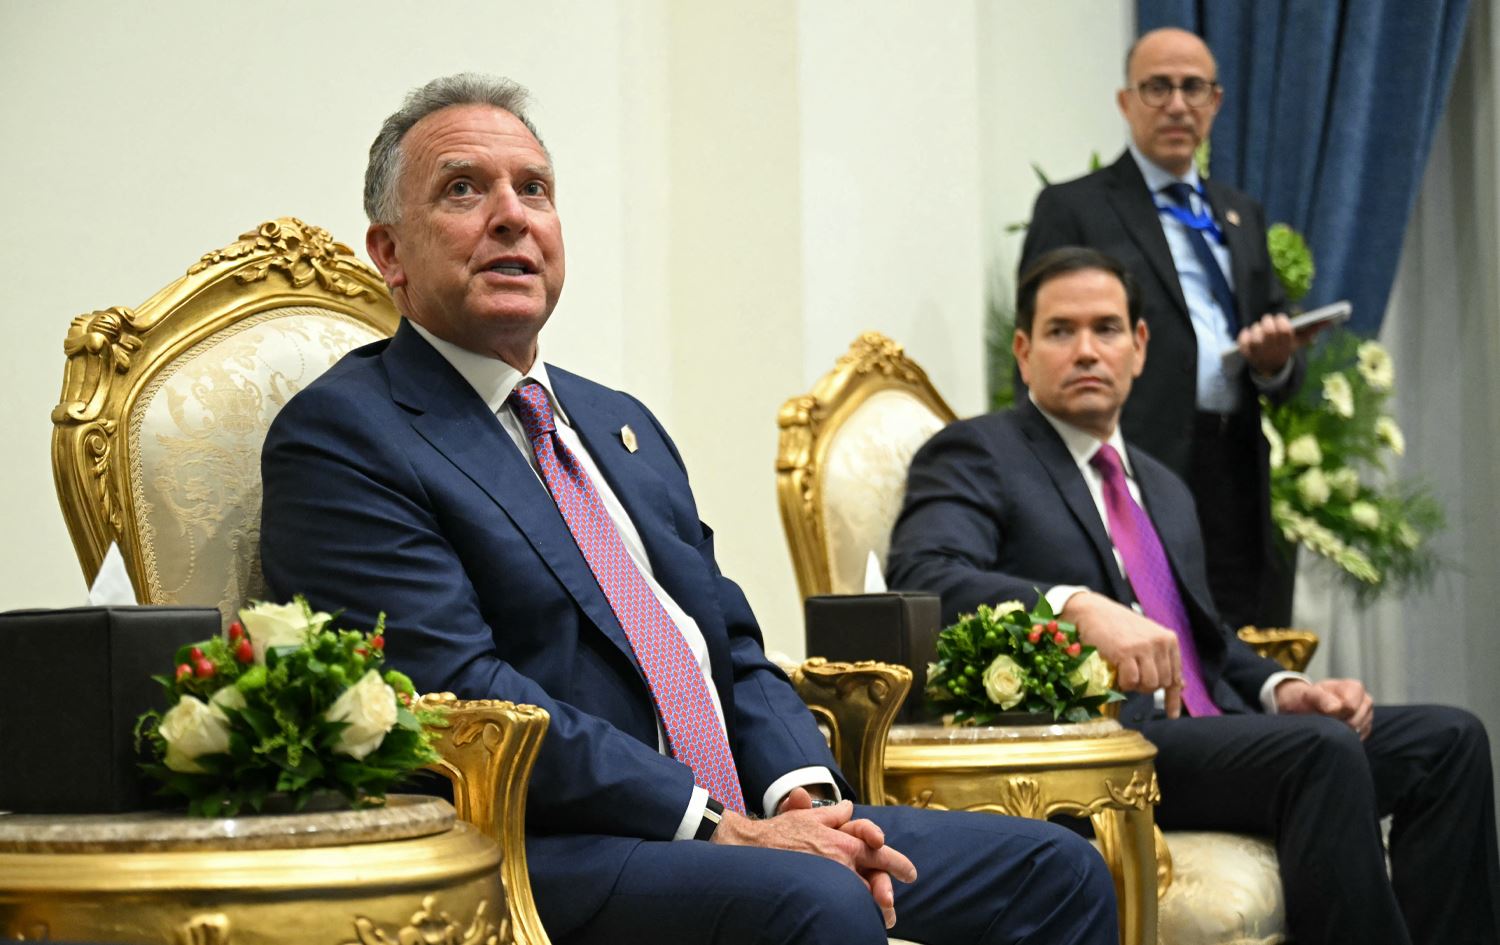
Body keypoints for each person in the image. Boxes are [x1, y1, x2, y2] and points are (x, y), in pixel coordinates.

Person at [259, 74, 1117, 945]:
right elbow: (463, 691)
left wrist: (803, 797)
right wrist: (716, 823)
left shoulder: (616, 422)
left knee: (1059, 870)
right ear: (391, 253)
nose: (513, 215)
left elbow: (730, 644)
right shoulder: (347, 435)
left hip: (742, 825)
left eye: (536, 188)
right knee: (821, 902)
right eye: (463, 189)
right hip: (549, 844)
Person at [887, 245, 1500, 945]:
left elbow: (1202, 637)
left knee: (1449, 740)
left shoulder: (1163, 485)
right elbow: (924, 575)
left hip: (1215, 728)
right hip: (1107, 744)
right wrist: (1074, 606)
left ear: (1140, 346)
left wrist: (1282, 688)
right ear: (1024, 353)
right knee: (1321, 750)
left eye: (1106, 328)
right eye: (1061, 331)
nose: (1086, 350)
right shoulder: (979, 452)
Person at [1020, 26, 1303, 631]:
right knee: (1148, 635)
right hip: (1131, 460)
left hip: (1234, 469)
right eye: (1157, 88)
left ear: (1215, 102)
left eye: (1192, 88)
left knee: (1233, 638)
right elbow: (1039, 344)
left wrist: (1275, 361)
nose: (1177, 104)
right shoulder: (1076, 207)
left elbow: (1282, 357)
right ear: (1125, 102)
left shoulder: (1240, 214)